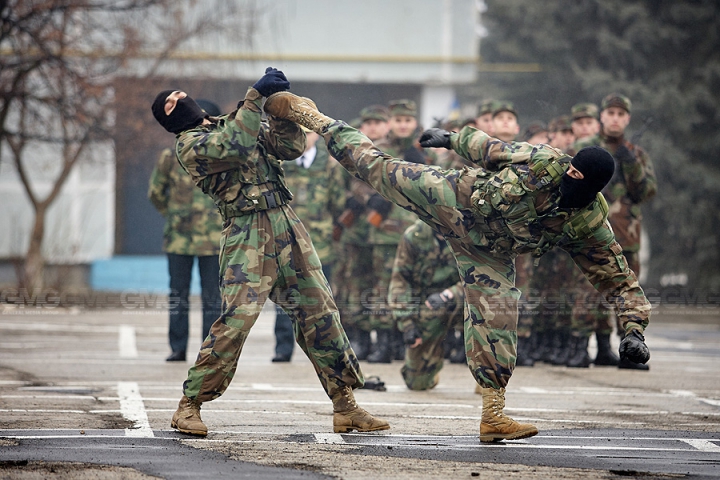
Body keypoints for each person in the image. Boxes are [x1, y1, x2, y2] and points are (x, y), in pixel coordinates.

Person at [263, 91, 651, 442]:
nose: (569, 177)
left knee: (499, 313)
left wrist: (634, 330)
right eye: (570, 171)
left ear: (593, 188)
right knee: (376, 167)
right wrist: (451, 138)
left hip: (489, 253)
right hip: (455, 198)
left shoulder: (588, 224)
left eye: (578, 178)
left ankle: (493, 415)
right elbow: (491, 148)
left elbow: (618, 278)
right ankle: (312, 117)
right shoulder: (545, 161)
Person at [150, 68, 389, 437]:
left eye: (180, 94)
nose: (178, 99)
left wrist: (281, 116)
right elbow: (237, 145)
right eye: (169, 102)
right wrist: (254, 97)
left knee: (320, 312)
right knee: (237, 320)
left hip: (286, 224)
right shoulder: (190, 145)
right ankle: (189, 405)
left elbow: (289, 149)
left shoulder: (231, 123)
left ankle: (346, 406)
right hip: (247, 233)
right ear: (169, 121)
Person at [573, 93, 657, 370]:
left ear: (627, 119)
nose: (615, 119)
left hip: (626, 235)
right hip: (592, 231)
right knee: (590, 292)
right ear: (602, 117)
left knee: (626, 290)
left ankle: (629, 348)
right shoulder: (585, 149)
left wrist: (629, 162)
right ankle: (594, 347)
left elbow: (645, 193)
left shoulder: (636, 154)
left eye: (621, 115)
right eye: (611, 113)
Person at [147, 98, 224, 362]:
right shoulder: (172, 156)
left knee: (212, 297)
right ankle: (178, 347)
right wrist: (173, 216)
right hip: (180, 239)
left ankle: (208, 349)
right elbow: (156, 192)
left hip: (213, 239)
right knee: (179, 294)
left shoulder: (220, 154)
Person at [271, 128, 346, 362]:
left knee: (320, 297)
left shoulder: (329, 167)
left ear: (316, 135)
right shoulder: (279, 163)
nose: (304, 137)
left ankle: (325, 348)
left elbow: (338, 203)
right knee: (286, 296)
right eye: (298, 132)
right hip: (286, 240)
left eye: (308, 132)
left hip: (319, 243)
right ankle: (283, 348)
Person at [364, 99, 430, 363]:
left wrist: (422, 165)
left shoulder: (425, 149)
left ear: (414, 123)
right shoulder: (377, 149)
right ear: (390, 122)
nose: (403, 125)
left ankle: (409, 341)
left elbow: (441, 182)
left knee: (414, 287)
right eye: (398, 120)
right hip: (386, 232)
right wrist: (373, 197)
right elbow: (360, 177)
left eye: (408, 121)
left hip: (418, 231)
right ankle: (383, 342)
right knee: (383, 288)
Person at [333, 105, 390, 360]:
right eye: (369, 123)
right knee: (355, 286)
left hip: (384, 231)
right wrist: (349, 200)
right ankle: (359, 339)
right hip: (356, 232)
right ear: (362, 128)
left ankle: (385, 340)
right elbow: (335, 190)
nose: (374, 127)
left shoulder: (394, 154)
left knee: (381, 288)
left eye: (379, 123)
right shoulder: (350, 154)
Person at [388, 219, 464, 390]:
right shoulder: (414, 236)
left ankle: (489, 383)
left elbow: (484, 278)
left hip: (467, 299)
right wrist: (406, 324)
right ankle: (429, 367)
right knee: (416, 384)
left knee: (490, 309)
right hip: (429, 306)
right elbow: (400, 281)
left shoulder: (470, 232)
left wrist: (449, 294)